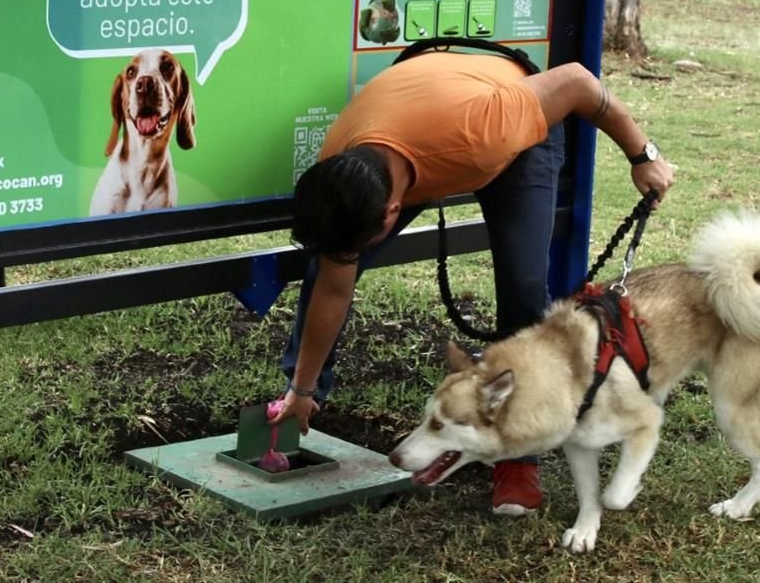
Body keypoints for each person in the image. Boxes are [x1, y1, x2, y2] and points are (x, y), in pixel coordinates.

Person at [271, 49, 675, 516]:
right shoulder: (341, 174)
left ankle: (517, 457)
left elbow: (576, 82)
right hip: (430, 125)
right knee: (325, 269)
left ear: (392, 211)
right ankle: (300, 402)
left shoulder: (486, 127)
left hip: (512, 134)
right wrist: (302, 387)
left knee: (523, 290)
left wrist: (643, 155)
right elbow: (334, 287)